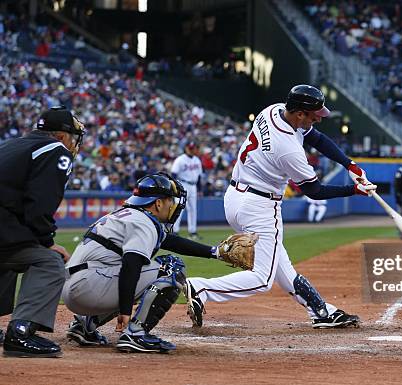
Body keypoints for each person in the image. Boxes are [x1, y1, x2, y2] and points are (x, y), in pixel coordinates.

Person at [185, 84, 376, 329]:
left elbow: (317, 139)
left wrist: (349, 165)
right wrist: (354, 190)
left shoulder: (273, 110)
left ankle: (321, 311)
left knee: (281, 266)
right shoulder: (289, 150)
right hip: (260, 205)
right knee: (262, 278)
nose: (318, 119)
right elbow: (314, 191)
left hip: (235, 197)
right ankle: (201, 288)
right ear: (299, 114)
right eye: (314, 115)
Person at [61, 173, 251, 353]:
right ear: (158, 203)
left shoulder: (127, 215)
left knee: (140, 276)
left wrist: (215, 252)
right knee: (170, 268)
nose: (173, 206)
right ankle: (135, 333)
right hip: (89, 287)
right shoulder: (144, 222)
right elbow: (131, 266)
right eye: (170, 201)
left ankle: (84, 324)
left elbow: (170, 241)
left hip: (77, 285)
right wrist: (126, 312)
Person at [0, 106, 85, 357]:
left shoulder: (12, 144)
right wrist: (47, 242)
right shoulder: (55, 150)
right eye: (72, 136)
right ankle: (21, 332)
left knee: (6, 258)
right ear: (61, 136)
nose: (74, 143)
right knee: (49, 262)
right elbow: (39, 204)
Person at [171, 141, 203, 239]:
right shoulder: (180, 159)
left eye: (193, 148)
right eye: (190, 148)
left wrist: (200, 189)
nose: (192, 150)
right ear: (186, 148)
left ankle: (192, 231)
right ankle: (174, 230)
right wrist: (176, 187)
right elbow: (173, 174)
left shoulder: (197, 160)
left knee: (193, 209)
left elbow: (199, 176)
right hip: (182, 184)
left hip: (193, 186)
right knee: (179, 207)